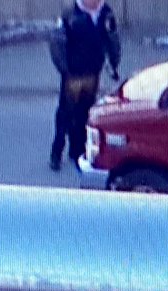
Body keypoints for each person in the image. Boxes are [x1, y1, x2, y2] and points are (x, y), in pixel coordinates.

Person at [49, 0, 121, 171]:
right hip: (73, 74)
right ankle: (56, 151)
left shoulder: (106, 13)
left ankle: (78, 150)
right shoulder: (69, 14)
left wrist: (114, 63)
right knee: (65, 113)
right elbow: (57, 43)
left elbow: (112, 39)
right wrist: (65, 69)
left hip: (92, 73)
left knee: (85, 112)